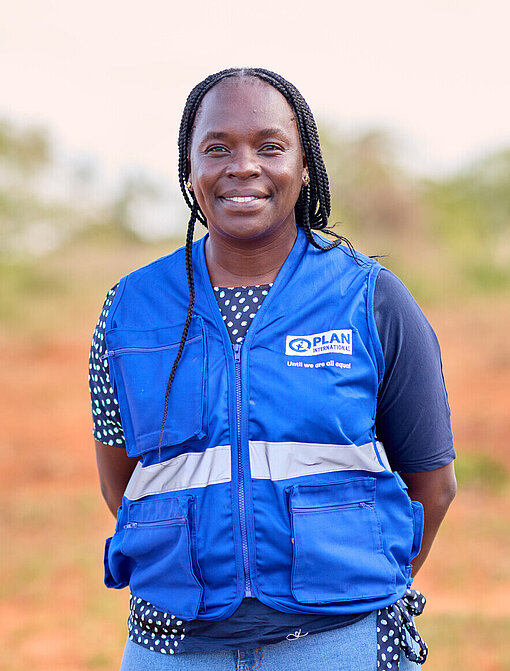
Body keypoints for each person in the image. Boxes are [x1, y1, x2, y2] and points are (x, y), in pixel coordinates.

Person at [89, 67, 457, 671]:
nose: (242, 167)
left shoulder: (372, 298)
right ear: (189, 170)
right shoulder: (129, 309)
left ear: (304, 165)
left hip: (339, 642)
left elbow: (433, 484)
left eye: (269, 146)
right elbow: (120, 484)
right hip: (174, 645)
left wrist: (346, 594)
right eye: (217, 148)